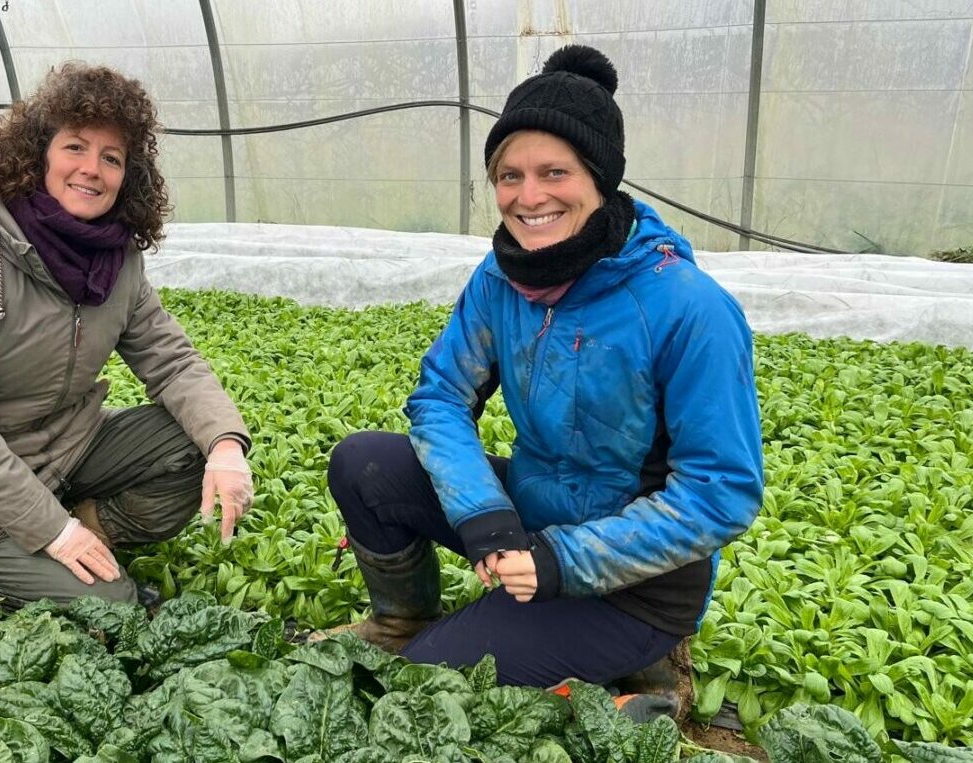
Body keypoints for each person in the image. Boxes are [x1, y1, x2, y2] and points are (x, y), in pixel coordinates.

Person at [322, 45, 764, 695]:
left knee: (420, 687)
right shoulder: (501, 277)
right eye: (510, 175)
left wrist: (561, 560)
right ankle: (401, 619)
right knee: (364, 464)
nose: (529, 197)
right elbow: (441, 396)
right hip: (534, 519)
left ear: (599, 178)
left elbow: (720, 491)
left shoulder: (687, 307)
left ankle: (648, 677)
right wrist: (484, 515)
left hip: (634, 587)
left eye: (555, 172)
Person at [0, 62, 253, 607]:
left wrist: (225, 446)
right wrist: (55, 533)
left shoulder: (116, 260)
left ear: (128, 176)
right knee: (115, 608)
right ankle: (12, 549)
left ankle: (88, 526)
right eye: (75, 147)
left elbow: (173, 362)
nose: (91, 169)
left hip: (64, 453)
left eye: (111, 158)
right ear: (37, 154)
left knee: (195, 440)